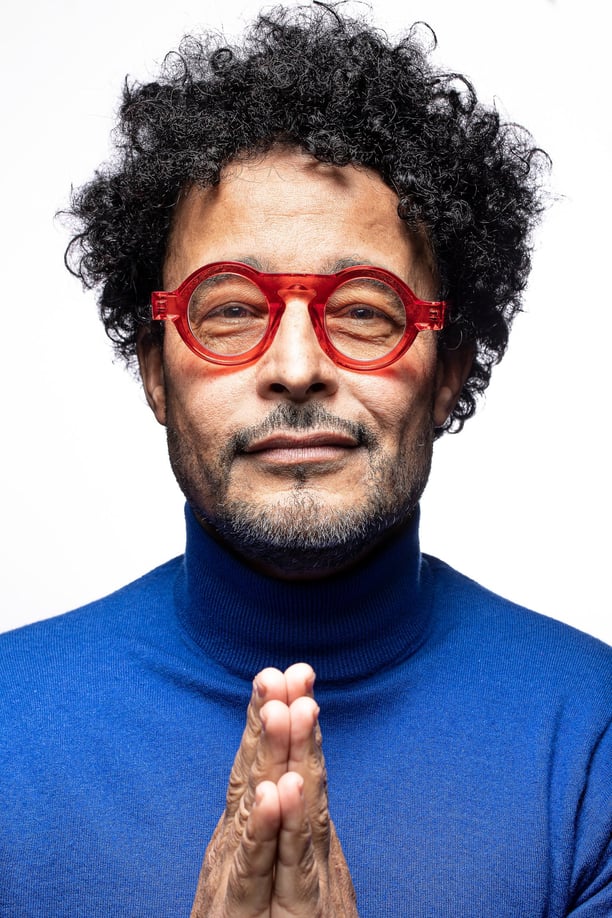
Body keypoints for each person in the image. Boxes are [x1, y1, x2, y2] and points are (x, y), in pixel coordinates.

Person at [1, 6, 610, 916]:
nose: (295, 368)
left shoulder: (591, 742)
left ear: (448, 375)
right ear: (155, 375)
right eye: (231, 308)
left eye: (365, 309)